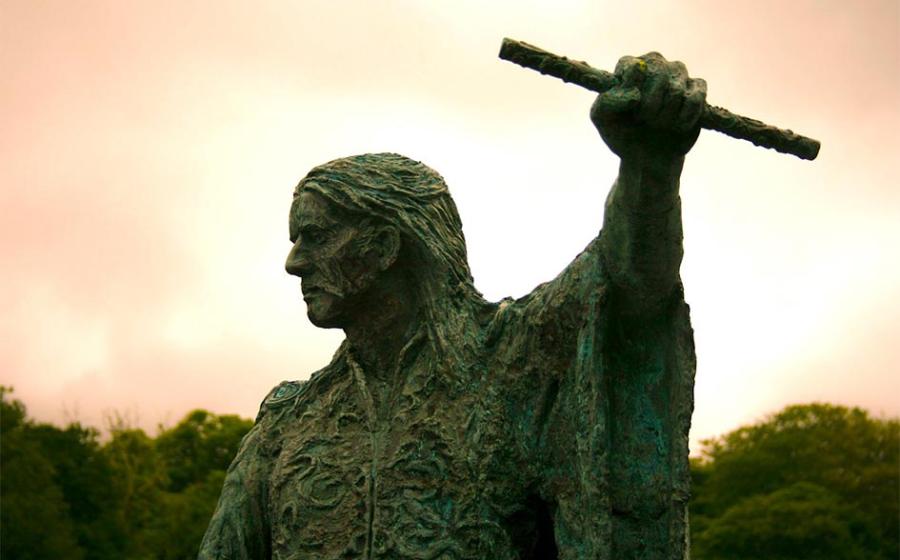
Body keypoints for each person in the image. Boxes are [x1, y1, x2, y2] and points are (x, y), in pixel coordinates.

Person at [199, 52, 704, 559]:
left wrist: (650, 169)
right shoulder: (289, 421)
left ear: (383, 246)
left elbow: (626, 285)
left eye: (314, 238)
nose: (294, 263)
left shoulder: (512, 367)